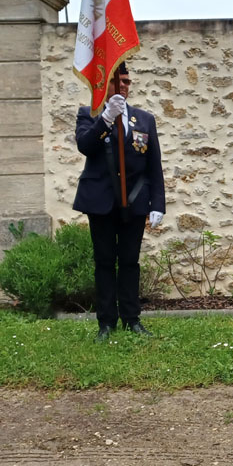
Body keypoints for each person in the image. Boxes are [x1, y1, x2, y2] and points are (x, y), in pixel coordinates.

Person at [73, 62, 166, 340]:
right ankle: (106, 323)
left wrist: (158, 204)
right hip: (100, 201)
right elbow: (85, 146)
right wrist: (105, 118)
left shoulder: (144, 119)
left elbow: (154, 165)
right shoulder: (89, 114)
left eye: (127, 81)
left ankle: (131, 319)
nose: (124, 86)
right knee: (104, 262)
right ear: (106, 85)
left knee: (129, 262)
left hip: (135, 201)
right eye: (118, 81)